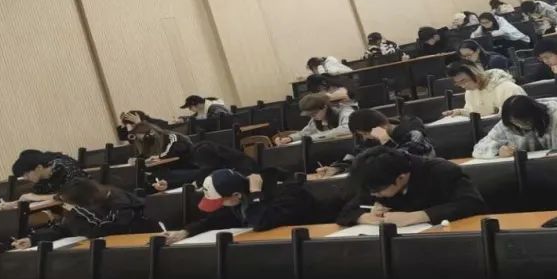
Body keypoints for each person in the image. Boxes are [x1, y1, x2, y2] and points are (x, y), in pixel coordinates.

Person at [336, 147, 486, 227]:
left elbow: (473, 203)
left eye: (377, 191)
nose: (373, 195)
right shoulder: (375, 179)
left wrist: (416, 216)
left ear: (400, 178)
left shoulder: (441, 171)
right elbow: (346, 212)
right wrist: (366, 217)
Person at [165, 169, 319, 242]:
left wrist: (256, 194)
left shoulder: (286, 192)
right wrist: (186, 232)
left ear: (236, 195)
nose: (222, 206)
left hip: (313, 240)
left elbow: (261, 222)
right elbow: (214, 220)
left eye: (221, 201)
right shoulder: (239, 198)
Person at [16, 179, 159, 247]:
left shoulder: (120, 202)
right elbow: (64, 228)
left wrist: (76, 213)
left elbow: (108, 230)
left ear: (84, 199)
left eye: (70, 203)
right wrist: (33, 239)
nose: (67, 207)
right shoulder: (85, 208)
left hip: (139, 242)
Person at [317, 109, 437, 177]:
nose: (365, 138)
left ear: (382, 126)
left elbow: (404, 161)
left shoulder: (412, 132)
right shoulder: (370, 139)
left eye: (365, 133)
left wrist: (386, 141)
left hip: (421, 178)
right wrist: (337, 168)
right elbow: (358, 156)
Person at [472, 95, 557, 158]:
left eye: (524, 121)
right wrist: (498, 151)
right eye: (516, 122)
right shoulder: (509, 122)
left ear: (534, 114)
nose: (520, 125)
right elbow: (479, 149)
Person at [443, 61, 526, 117]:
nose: (463, 86)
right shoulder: (470, 92)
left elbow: (520, 116)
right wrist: (459, 112)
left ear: (476, 74)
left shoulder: (507, 88)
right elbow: (473, 112)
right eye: (458, 83)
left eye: (463, 81)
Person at [10, 150, 86, 203]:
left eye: (27, 174)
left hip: (85, 208)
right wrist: (13, 204)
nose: (25, 178)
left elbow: (75, 195)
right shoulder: (41, 178)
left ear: (39, 167)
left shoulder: (64, 167)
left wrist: (35, 197)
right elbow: (37, 196)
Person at [129, 123, 194, 167]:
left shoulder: (170, 136)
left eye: (144, 138)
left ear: (151, 132)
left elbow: (173, 150)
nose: (143, 141)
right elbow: (145, 154)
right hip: (170, 166)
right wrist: (137, 160)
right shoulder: (151, 142)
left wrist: (159, 157)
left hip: (186, 163)